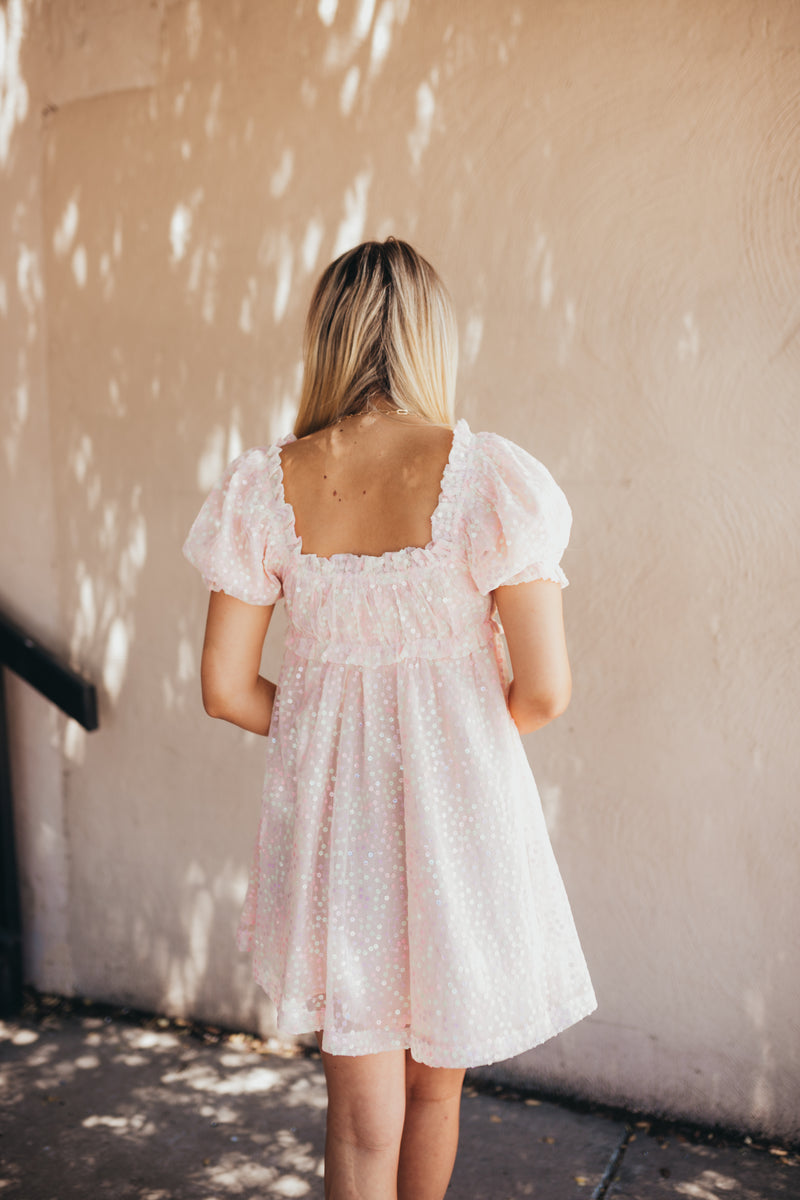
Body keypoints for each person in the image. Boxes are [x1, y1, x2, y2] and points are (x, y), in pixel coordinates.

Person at [183, 237, 596, 1200]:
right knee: (433, 1095)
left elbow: (226, 688)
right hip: (462, 824)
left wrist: (335, 736)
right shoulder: (490, 479)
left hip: (335, 833)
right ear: (428, 340)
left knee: (360, 1119)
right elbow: (543, 690)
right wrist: (441, 750)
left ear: (324, 339)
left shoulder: (266, 486)